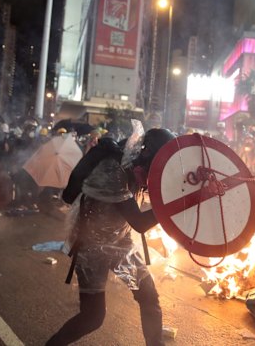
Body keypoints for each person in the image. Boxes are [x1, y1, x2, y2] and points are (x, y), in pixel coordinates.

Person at [47, 128, 175, 346]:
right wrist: (176, 206)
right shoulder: (113, 171)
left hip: (120, 243)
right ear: (147, 155)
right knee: (93, 318)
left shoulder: (135, 165)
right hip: (91, 247)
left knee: (149, 297)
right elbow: (139, 222)